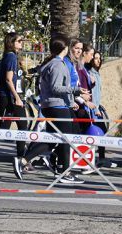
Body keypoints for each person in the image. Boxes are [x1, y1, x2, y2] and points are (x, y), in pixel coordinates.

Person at [13, 37, 88, 183]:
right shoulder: (58, 65)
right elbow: (56, 87)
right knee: (66, 139)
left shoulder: (53, 63)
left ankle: (26, 161)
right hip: (57, 106)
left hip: (54, 105)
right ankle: (64, 172)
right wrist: (76, 90)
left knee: (55, 138)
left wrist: (71, 99)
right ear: (65, 48)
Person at [0, 32, 28, 159]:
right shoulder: (11, 57)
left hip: (9, 96)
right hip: (10, 97)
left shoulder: (11, 56)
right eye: (19, 41)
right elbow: (9, 79)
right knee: (21, 125)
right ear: (12, 42)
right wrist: (17, 98)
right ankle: (21, 159)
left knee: (8, 127)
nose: (21, 43)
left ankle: (21, 158)